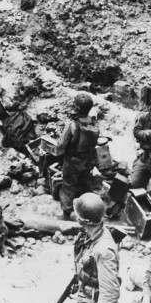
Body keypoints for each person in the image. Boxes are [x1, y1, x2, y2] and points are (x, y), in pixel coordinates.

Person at [72, 193, 122, 303]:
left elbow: (110, 293)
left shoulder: (103, 250)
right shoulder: (91, 234)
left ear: (80, 220)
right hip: (86, 298)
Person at [56, 92, 99, 220]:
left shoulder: (72, 125)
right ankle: (88, 210)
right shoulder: (93, 123)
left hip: (72, 162)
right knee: (85, 183)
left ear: (76, 108)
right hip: (88, 160)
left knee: (68, 186)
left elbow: (60, 146)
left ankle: (66, 213)